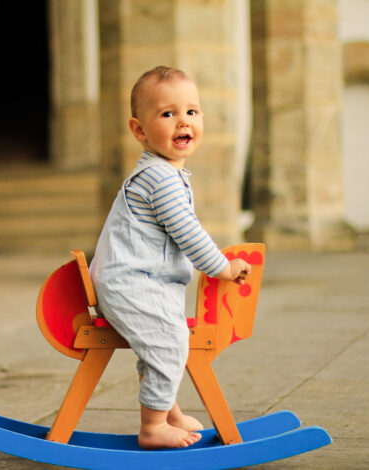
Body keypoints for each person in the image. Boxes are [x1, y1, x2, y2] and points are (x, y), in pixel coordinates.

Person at [89, 66, 251, 450]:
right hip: (131, 283)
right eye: (168, 113)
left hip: (139, 281)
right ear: (139, 130)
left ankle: (169, 413)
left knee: (160, 346)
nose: (183, 121)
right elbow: (188, 233)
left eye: (192, 111)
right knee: (168, 342)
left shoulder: (165, 174)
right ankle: (152, 427)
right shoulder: (160, 180)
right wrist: (222, 267)